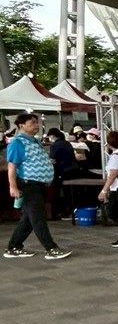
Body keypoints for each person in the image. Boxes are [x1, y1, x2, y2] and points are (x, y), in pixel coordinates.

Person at [4, 112, 71, 261]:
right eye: (32, 123)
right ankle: (51, 248)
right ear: (21, 125)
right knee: (37, 218)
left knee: (29, 219)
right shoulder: (17, 143)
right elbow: (12, 167)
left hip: (38, 185)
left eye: (37, 122)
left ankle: (14, 247)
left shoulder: (34, 141)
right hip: (28, 184)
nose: (37, 125)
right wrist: (13, 187)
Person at [46, 127, 76, 218]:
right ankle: (71, 211)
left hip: (62, 171)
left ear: (52, 136)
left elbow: (53, 160)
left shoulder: (55, 145)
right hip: (72, 170)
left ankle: (59, 212)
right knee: (69, 192)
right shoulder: (67, 143)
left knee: (57, 191)